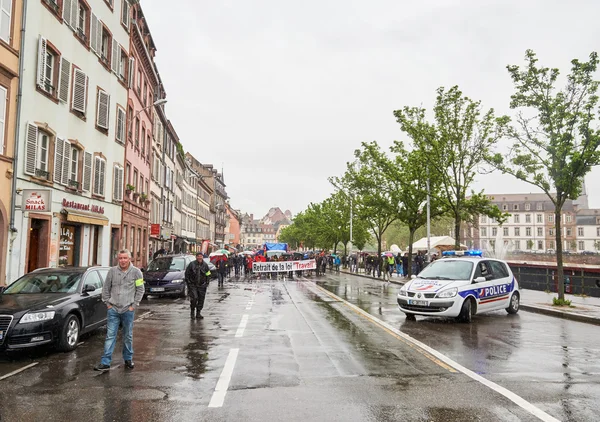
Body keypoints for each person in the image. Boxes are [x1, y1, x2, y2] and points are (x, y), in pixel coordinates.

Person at [94, 249, 145, 372]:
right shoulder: (112, 272)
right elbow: (106, 288)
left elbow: (140, 289)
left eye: (125, 258)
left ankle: (128, 359)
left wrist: (134, 305)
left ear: (129, 259)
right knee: (110, 336)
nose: (122, 261)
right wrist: (108, 303)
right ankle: (105, 362)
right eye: (120, 258)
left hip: (128, 309)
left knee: (127, 335)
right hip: (114, 309)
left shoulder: (137, 272)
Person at [185, 252, 212, 319]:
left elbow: (208, 274)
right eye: (198, 256)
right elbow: (187, 274)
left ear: (202, 257)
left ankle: (198, 313)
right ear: (196, 257)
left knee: (201, 299)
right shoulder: (192, 264)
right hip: (193, 285)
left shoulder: (205, 265)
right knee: (194, 298)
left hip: (202, 285)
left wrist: (207, 282)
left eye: (201, 256)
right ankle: (192, 311)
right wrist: (189, 283)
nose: (200, 257)